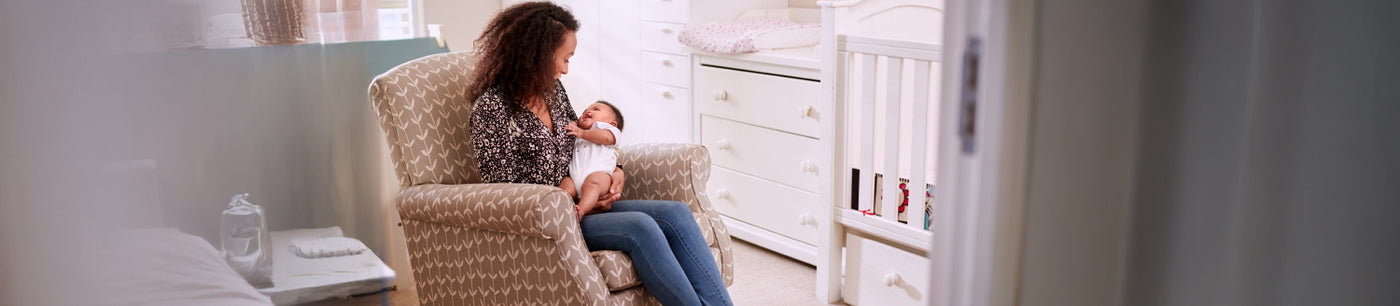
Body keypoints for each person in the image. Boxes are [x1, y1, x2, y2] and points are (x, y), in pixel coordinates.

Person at [465, 2, 733, 306]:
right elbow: (502, 195)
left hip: (584, 202)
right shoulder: (491, 109)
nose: (565, 69)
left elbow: (585, 142)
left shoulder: (553, 92)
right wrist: (568, 203)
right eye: (564, 58)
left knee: (676, 213)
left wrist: (615, 170)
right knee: (641, 227)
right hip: (551, 221)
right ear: (536, 54)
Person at [560, 100, 625, 221]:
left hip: (599, 175)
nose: (588, 111)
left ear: (612, 123)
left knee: (593, 184)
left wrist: (581, 132)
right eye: (585, 111)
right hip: (574, 178)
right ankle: (558, 208)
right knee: (564, 187)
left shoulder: (610, 132)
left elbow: (605, 137)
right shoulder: (579, 132)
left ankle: (581, 210)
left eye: (596, 109)